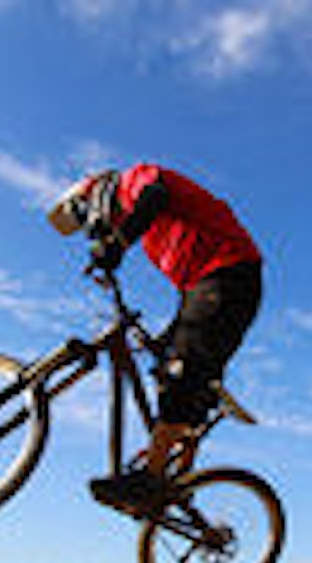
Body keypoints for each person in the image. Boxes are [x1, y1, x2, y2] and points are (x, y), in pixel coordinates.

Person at [47, 163, 263, 516]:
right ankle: (181, 479)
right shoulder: (152, 241)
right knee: (169, 375)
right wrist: (166, 337)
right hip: (206, 288)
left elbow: (155, 195)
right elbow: (190, 293)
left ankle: (150, 480)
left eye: (94, 220)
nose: (106, 229)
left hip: (230, 275)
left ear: (97, 194)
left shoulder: (136, 180)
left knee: (183, 372)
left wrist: (118, 243)